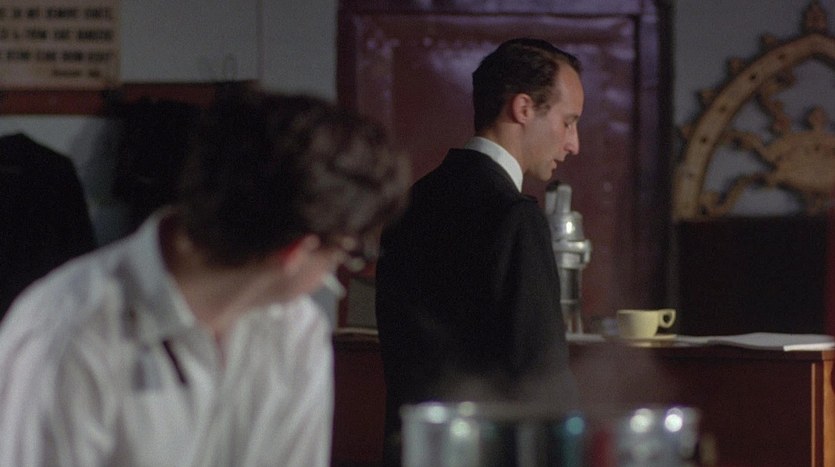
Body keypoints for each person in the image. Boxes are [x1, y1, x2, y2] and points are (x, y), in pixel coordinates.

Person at [0, 89, 411, 466]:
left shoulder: (294, 331)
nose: (333, 275)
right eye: (346, 254)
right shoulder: (71, 332)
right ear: (296, 252)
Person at [375, 38, 584, 464]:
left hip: (416, 449)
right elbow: (541, 377)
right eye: (568, 122)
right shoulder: (515, 216)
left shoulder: (411, 202)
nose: (573, 143)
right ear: (523, 108)